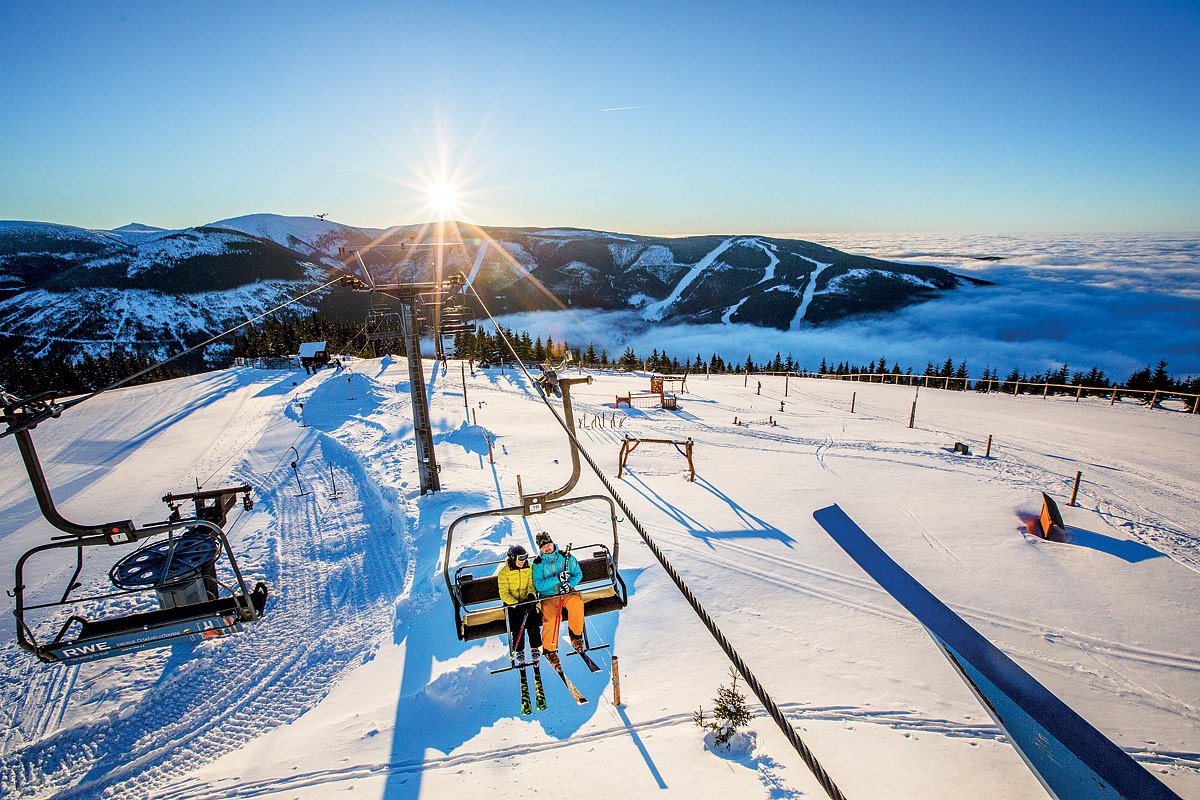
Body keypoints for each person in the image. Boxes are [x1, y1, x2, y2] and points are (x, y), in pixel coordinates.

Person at [531, 531, 584, 658]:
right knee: (552, 618)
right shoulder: (538, 564)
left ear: (552, 543)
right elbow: (539, 585)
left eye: (548, 545)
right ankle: (550, 649)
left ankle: (576, 636)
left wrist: (569, 584)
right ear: (540, 548)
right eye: (543, 547)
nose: (547, 548)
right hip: (549, 596)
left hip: (566, 592)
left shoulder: (565, 557)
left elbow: (578, 574)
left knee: (576, 602)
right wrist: (558, 579)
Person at [498, 544, 542, 661]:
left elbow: (531, 585)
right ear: (513, 558)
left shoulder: (529, 567)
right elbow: (504, 594)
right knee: (517, 624)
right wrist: (516, 605)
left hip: (527, 601)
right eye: (520, 558)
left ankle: (535, 646)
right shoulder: (504, 573)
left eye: (525, 557)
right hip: (513, 604)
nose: (523, 561)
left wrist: (531, 596)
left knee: (533, 621)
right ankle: (519, 649)